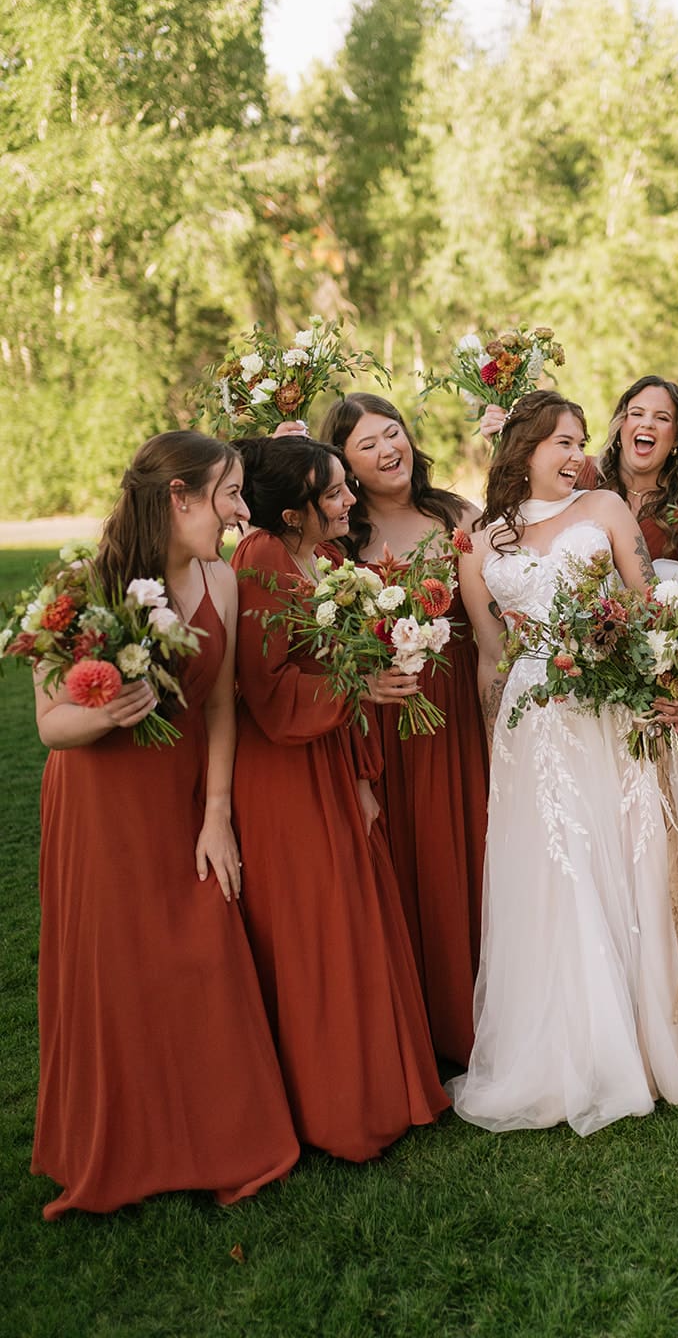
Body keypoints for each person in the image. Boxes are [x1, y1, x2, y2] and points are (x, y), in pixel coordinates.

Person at [450, 391, 678, 1135]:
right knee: (556, 870)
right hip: (533, 722)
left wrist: (665, 687)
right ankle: (573, 1047)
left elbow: (655, 606)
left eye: (578, 442)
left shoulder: (604, 511)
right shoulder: (478, 539)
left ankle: (660, 1037)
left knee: (628, 857)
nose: (576, 456)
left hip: (609, 703)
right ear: (522, 449)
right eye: (559, 443)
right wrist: (493, 733)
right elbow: (488, 650)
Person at [32, 431, 298, 1219]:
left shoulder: (222, 578)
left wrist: (218, 816)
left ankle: (223, 1143)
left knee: (202, 953)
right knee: (115, 970)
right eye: (228, 496)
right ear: (178, 497)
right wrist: (106, 711)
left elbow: (220, 706)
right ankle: (121, 1149)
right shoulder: (85, 583)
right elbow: (51, 725)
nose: (240, 511)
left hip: (184, 796)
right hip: (101, 803)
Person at [231, 436, 448, 1159]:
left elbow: (345, 660)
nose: (349, 498)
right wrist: (359, 685)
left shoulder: (326, 561)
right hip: (281, 771)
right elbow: (262, 691)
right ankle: (331, 1109)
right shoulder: (260, 557)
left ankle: (379, 1088)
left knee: (355, 916)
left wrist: (361, 775)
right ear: (292, 511)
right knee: (313, 929)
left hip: (331, 756)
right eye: (332, 492)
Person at [320, 393, 489, 1067]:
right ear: (345, 466)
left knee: (470, 843)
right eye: (367, 444)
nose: (388, 449)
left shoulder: (456, 514)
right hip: (389, 709)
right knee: (407, 853)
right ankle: (422, 1022)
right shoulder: (339, 540)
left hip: (458, 703)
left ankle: (481, 1013)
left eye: (393, 433)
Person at [484, 374, 678, 563]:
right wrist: (503, 442)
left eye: (662, 418)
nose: (647, 424)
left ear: (676, 437)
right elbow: (520, 514)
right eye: (636, 413)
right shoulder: (576, 470)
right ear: (621, 425)